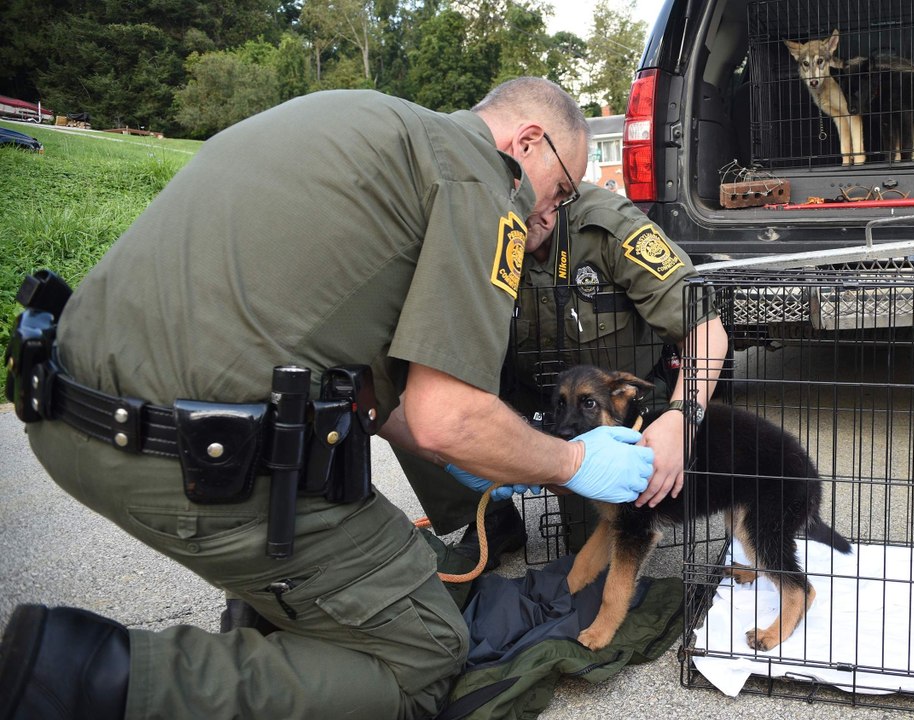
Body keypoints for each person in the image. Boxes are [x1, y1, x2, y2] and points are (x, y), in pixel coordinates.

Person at [0, 79, 655, 720]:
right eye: (561, 188)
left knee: (384, 555)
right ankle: (92, 678)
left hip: (57, 408)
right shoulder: (479, 181)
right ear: (528, 142)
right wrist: (571, 464)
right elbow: (446, 417)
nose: (550, 216)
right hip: (192, 466)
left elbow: (379, 387)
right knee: (426, 651)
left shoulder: (352, 119)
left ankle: (271, 615)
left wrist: (495, 453)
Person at [400, 180, 729, 570]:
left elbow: (706, 329)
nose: (537, 215)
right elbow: (430, 354)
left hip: (612, 410)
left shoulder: (609, 228)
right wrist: (483, 438)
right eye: (517, 203)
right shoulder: (468, 234)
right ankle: (491, 519)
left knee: (591, 549)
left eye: (549, 200)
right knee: (420, 403)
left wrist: (682, 418)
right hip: (526, 403)